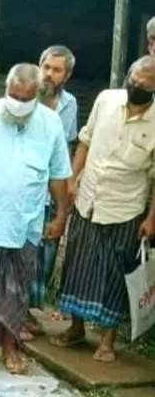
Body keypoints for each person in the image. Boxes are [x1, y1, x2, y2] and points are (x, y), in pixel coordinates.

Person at [0, 63, 70, 375]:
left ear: (38, 95)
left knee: (17, 290)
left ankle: (10, 350)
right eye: (14, 95)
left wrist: (61, 216)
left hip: (27, 222)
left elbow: (60, 174)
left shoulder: (50, 123)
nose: (18, 102)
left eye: (26, 98)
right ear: (6, 89)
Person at [53, 56, 155, 363]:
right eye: (133, 81)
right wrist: (72, 178)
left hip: (125, 208)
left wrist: (152, 218)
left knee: (114, 274)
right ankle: (76, 328)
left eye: (143, 86)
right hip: (88, 200)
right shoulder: (107, 100)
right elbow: (86, 139)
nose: (135, 87)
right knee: (78, 266)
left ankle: (107, 341)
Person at [23, 45, 78, 340]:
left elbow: (66, 147)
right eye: (46, 67)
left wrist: (67, 186)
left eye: (57, 70)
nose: (49, 74)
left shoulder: (69, 105)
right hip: (23, 189)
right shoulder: (25, 96)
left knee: (43, 254)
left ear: (67, 75)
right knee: (21, 252)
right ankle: (15, 311)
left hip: (50, 190)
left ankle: (29, 310)